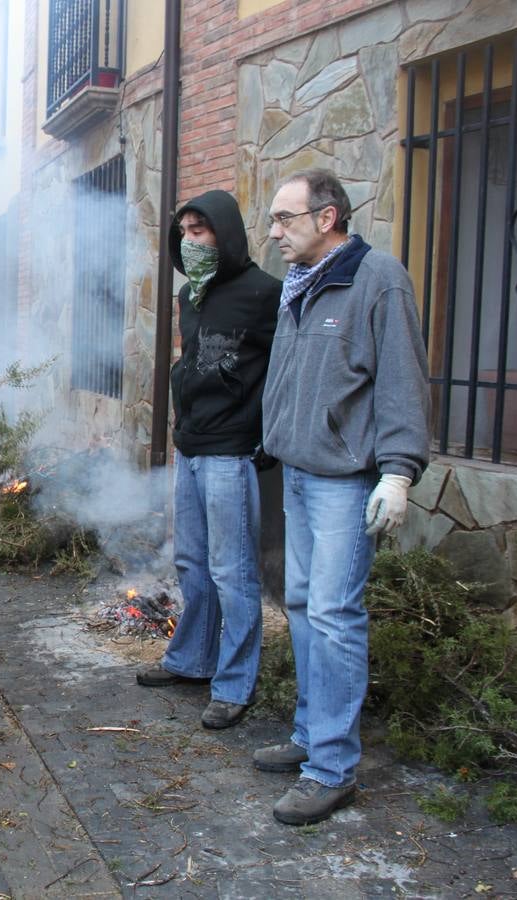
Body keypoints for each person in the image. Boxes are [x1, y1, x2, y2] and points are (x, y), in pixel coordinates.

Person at [257, 169, 430, 825]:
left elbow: (403, 379)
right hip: (297, 473)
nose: (274, 232)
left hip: (343, 481)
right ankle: (310, 734)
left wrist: (399, 470)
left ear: (327, 217)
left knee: (333, 613)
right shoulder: (301, 286)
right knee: (302, 604)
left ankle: (331, 769)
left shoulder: (377, 279)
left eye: (284, 218)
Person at [136, 190, 280, 732]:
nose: (192, 241)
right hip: (191, 448)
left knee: (233, 570)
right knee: (193, 562)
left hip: (231, 452)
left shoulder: (265, 293)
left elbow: (282, 369)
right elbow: (190, 364)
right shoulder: (188, 295)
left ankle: (235, 684)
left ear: (226, 234)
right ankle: (192, 659)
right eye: (185, 233)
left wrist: (267, 435)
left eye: (201, 231)